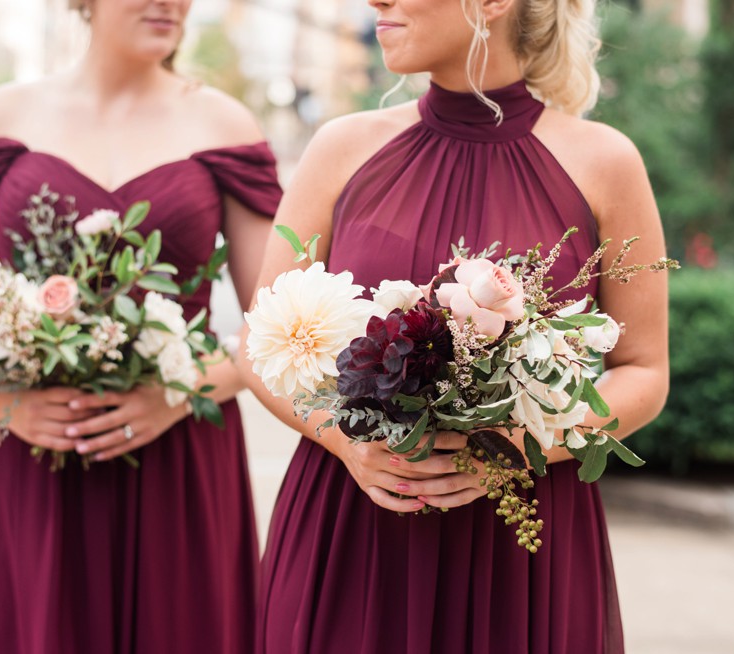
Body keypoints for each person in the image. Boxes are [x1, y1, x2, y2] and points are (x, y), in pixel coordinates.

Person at [238, 0, 669, 652]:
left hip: (517, 548)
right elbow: (259, 344)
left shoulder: (604, 162)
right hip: (353, 532)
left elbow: (645, 369)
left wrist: (514, 448)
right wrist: (348, 443)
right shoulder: (341, 149)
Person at [0, 1, 281, 652]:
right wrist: (1, 398)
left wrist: (182, 390)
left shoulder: (224, 124)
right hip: (23, 454)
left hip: (176, 455)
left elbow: (279, 320)